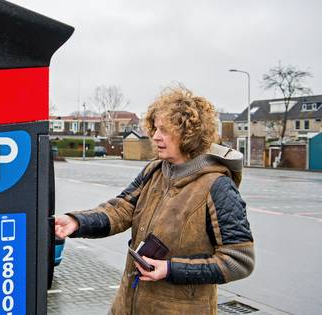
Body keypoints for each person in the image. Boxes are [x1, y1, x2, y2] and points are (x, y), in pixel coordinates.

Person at [55, 86, 254, 315]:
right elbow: (121, 209)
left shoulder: (218, 187)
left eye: (165, 130)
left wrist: (170, 269)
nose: (156, 136)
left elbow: (240, 261)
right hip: (127, 307)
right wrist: (77, 222)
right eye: (156, 128)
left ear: (190, 134)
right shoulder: (154, 171)